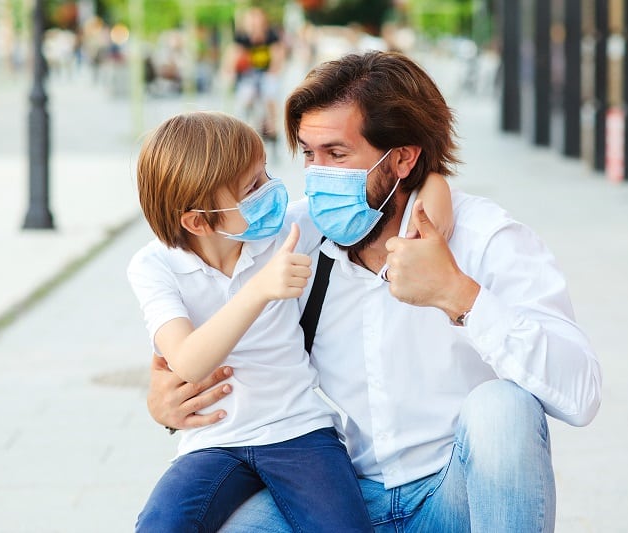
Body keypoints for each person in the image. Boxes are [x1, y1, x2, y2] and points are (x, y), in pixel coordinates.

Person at [148, 51, 603, 532]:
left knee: (502, 410)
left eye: (337, 155)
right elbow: (204, 262)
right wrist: (167, 403)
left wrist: (460, 297)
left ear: (403, 157)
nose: (318, 175)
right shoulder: (296, 237)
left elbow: (582, 394)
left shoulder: (486, 239)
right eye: (308, 153)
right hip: (347, 494)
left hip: (455, 495)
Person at [127, 110, 453, 531]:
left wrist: (439, 201)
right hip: (214, 444)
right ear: (197, 220)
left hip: (299, 431)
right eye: (252, 187)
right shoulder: (153, 267)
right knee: (161, 524)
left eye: (265, 173)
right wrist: (262, 287)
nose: (272, 191)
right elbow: (188, 361)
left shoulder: (285, 229)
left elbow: (419, 187)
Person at [224, 7, 285, 142]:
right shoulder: (242, 37)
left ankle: (272, 127)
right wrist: (229, 70)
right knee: (245, 97)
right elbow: (233, 53)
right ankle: (244, 127)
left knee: (270, 93)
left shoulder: (270, 35)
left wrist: (274, 70)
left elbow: (278, 55)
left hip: (267, 72)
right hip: (249, 73)